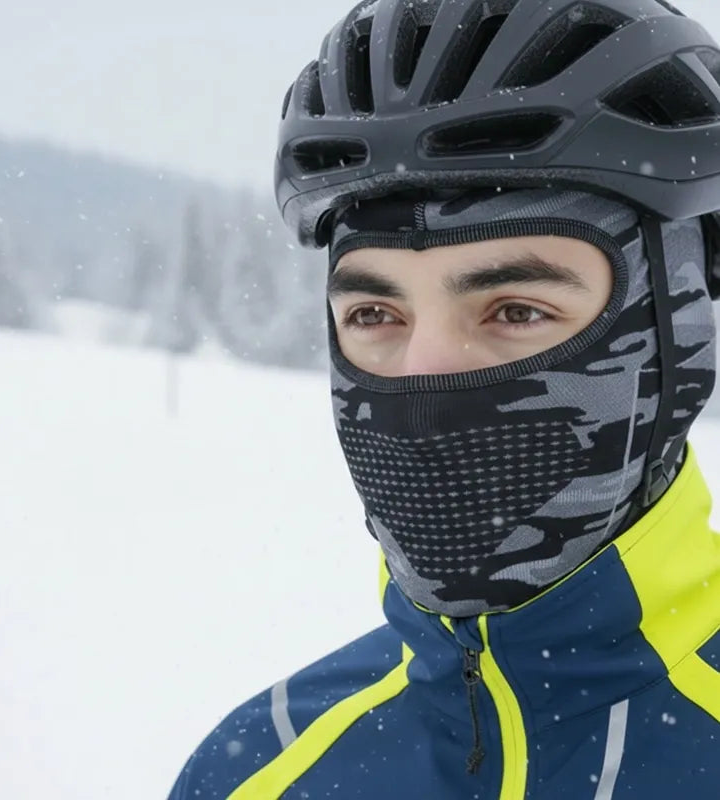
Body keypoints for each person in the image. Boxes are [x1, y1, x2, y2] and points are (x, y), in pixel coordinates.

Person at [168, 0, 720, 796]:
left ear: (679, 329)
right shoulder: (258, 768)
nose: (421, 383)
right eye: (374, 314)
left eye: (517, 310)